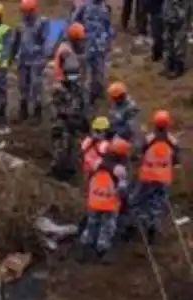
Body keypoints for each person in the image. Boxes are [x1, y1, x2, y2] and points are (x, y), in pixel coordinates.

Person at [130, 110, 180, 244]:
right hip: (163, 177)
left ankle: (136, 224)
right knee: (157, 203)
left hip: (147, 175)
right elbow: (176, 160)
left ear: (155, 124)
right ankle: (153, 226)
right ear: (168, 124)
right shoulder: (173, 141)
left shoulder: (149, 138)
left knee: (139, 199)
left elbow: (139, 152)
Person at [81, 137, 130, 259]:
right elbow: (122, 189)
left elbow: (89, 178)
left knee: (91, 223)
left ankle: (86, 245)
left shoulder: (97, 162)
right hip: (109, 204)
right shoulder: (120, 170)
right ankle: (101, 249)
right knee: (107, 227)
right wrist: (124, 203)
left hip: (94, 200)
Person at [49, 55, 89, 180]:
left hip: (74, 122)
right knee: (60, 146)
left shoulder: (78, 88)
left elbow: (82, 105)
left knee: (73, 145)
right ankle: (57, 168)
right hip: (61, 122)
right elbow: (55, 108)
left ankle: (69, 167)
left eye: (75, 75)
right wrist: (66, 117)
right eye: (71, 75)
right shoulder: (58, 89)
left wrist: (83, 119)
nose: (73, 78)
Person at [9, 0, 49, 122]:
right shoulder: (20, 25)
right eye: (24, 12)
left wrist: (45, 56)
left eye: (27, 12)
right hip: (23, 59)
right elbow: (15, 42)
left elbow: (47, 41)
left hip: (36, 60)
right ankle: (23, 110)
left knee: (36, 85)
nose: (25, 14)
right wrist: (11, 57)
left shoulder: (41, 23)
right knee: (22, 85)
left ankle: (37, 111)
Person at [74, 0, 113, 102]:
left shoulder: (106, 9)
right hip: (86, 43)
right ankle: (84, 95)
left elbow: (108, 27)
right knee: (86, 71)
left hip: (100, 45)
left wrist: (109, 41)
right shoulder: (84, 7)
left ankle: (97, 91)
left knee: (99, 70)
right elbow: (74, 22)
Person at [162, 0, 191, 78]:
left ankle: (179, 65)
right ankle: (170, 64)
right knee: (168, 36)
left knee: (180, 36)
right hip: (170, 6)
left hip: (182, 5)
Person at [81, 116, 111, 180]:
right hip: (93, 169)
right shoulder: (103, 143)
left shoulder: (89, 139)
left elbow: (83, 148)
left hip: (91, 169)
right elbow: (83, 147)